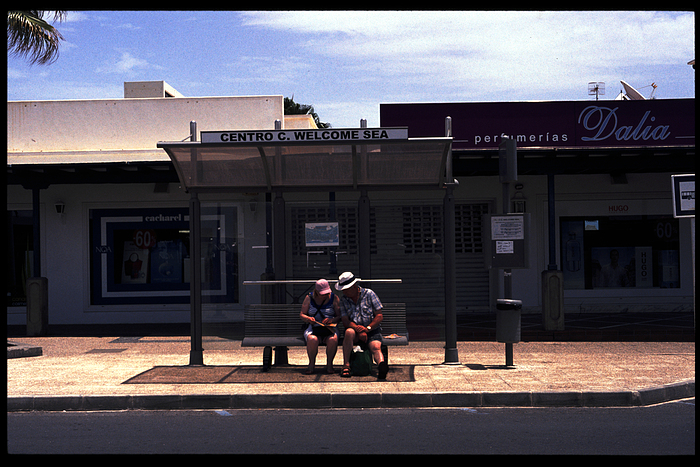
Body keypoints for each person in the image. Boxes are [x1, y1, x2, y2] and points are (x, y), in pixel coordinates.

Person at [335, 271, 389, 379]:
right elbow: (345, 321)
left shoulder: (369, 294)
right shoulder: (344, 300)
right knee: (348, 332)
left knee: (375, 347)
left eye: (346, 289)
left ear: (354, 287)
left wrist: (367, 329)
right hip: (354, 330)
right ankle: (346, 365)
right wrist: (358, 329)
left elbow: (379, 316)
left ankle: (381, 365)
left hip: (371, 329)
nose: (344, 292)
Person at [299, 279, 341, 374]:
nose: (325, 295)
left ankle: (330, 364)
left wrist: (332, 320)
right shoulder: (309, 298)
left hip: (330, 327)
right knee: (312, 339)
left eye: (327, 293)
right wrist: (308, 319)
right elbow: (302, 314)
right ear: (317, 292)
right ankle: (311, 363)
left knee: (332, 339)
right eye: (323, 294)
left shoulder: (334, 298)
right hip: (314, 327)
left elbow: (339, 316)